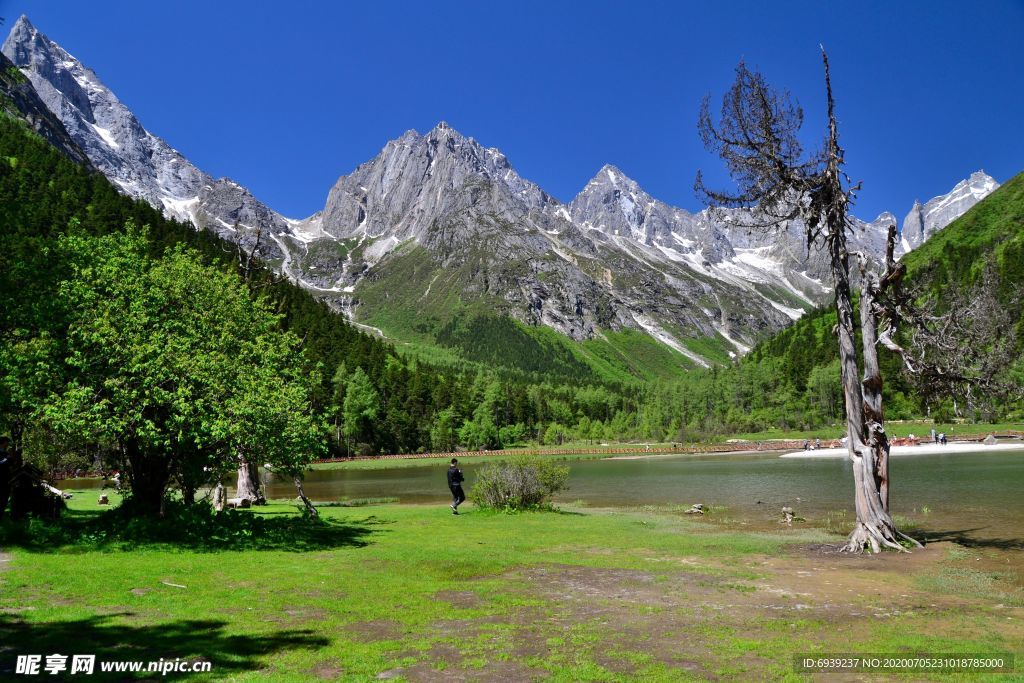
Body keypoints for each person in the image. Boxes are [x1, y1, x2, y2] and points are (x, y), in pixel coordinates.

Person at [0, 436, 11, 520]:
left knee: (5, 496)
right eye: (7, 442)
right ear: (3, 443)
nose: (8, 444)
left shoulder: (7, 453)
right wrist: (7, 459)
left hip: (6, 479)